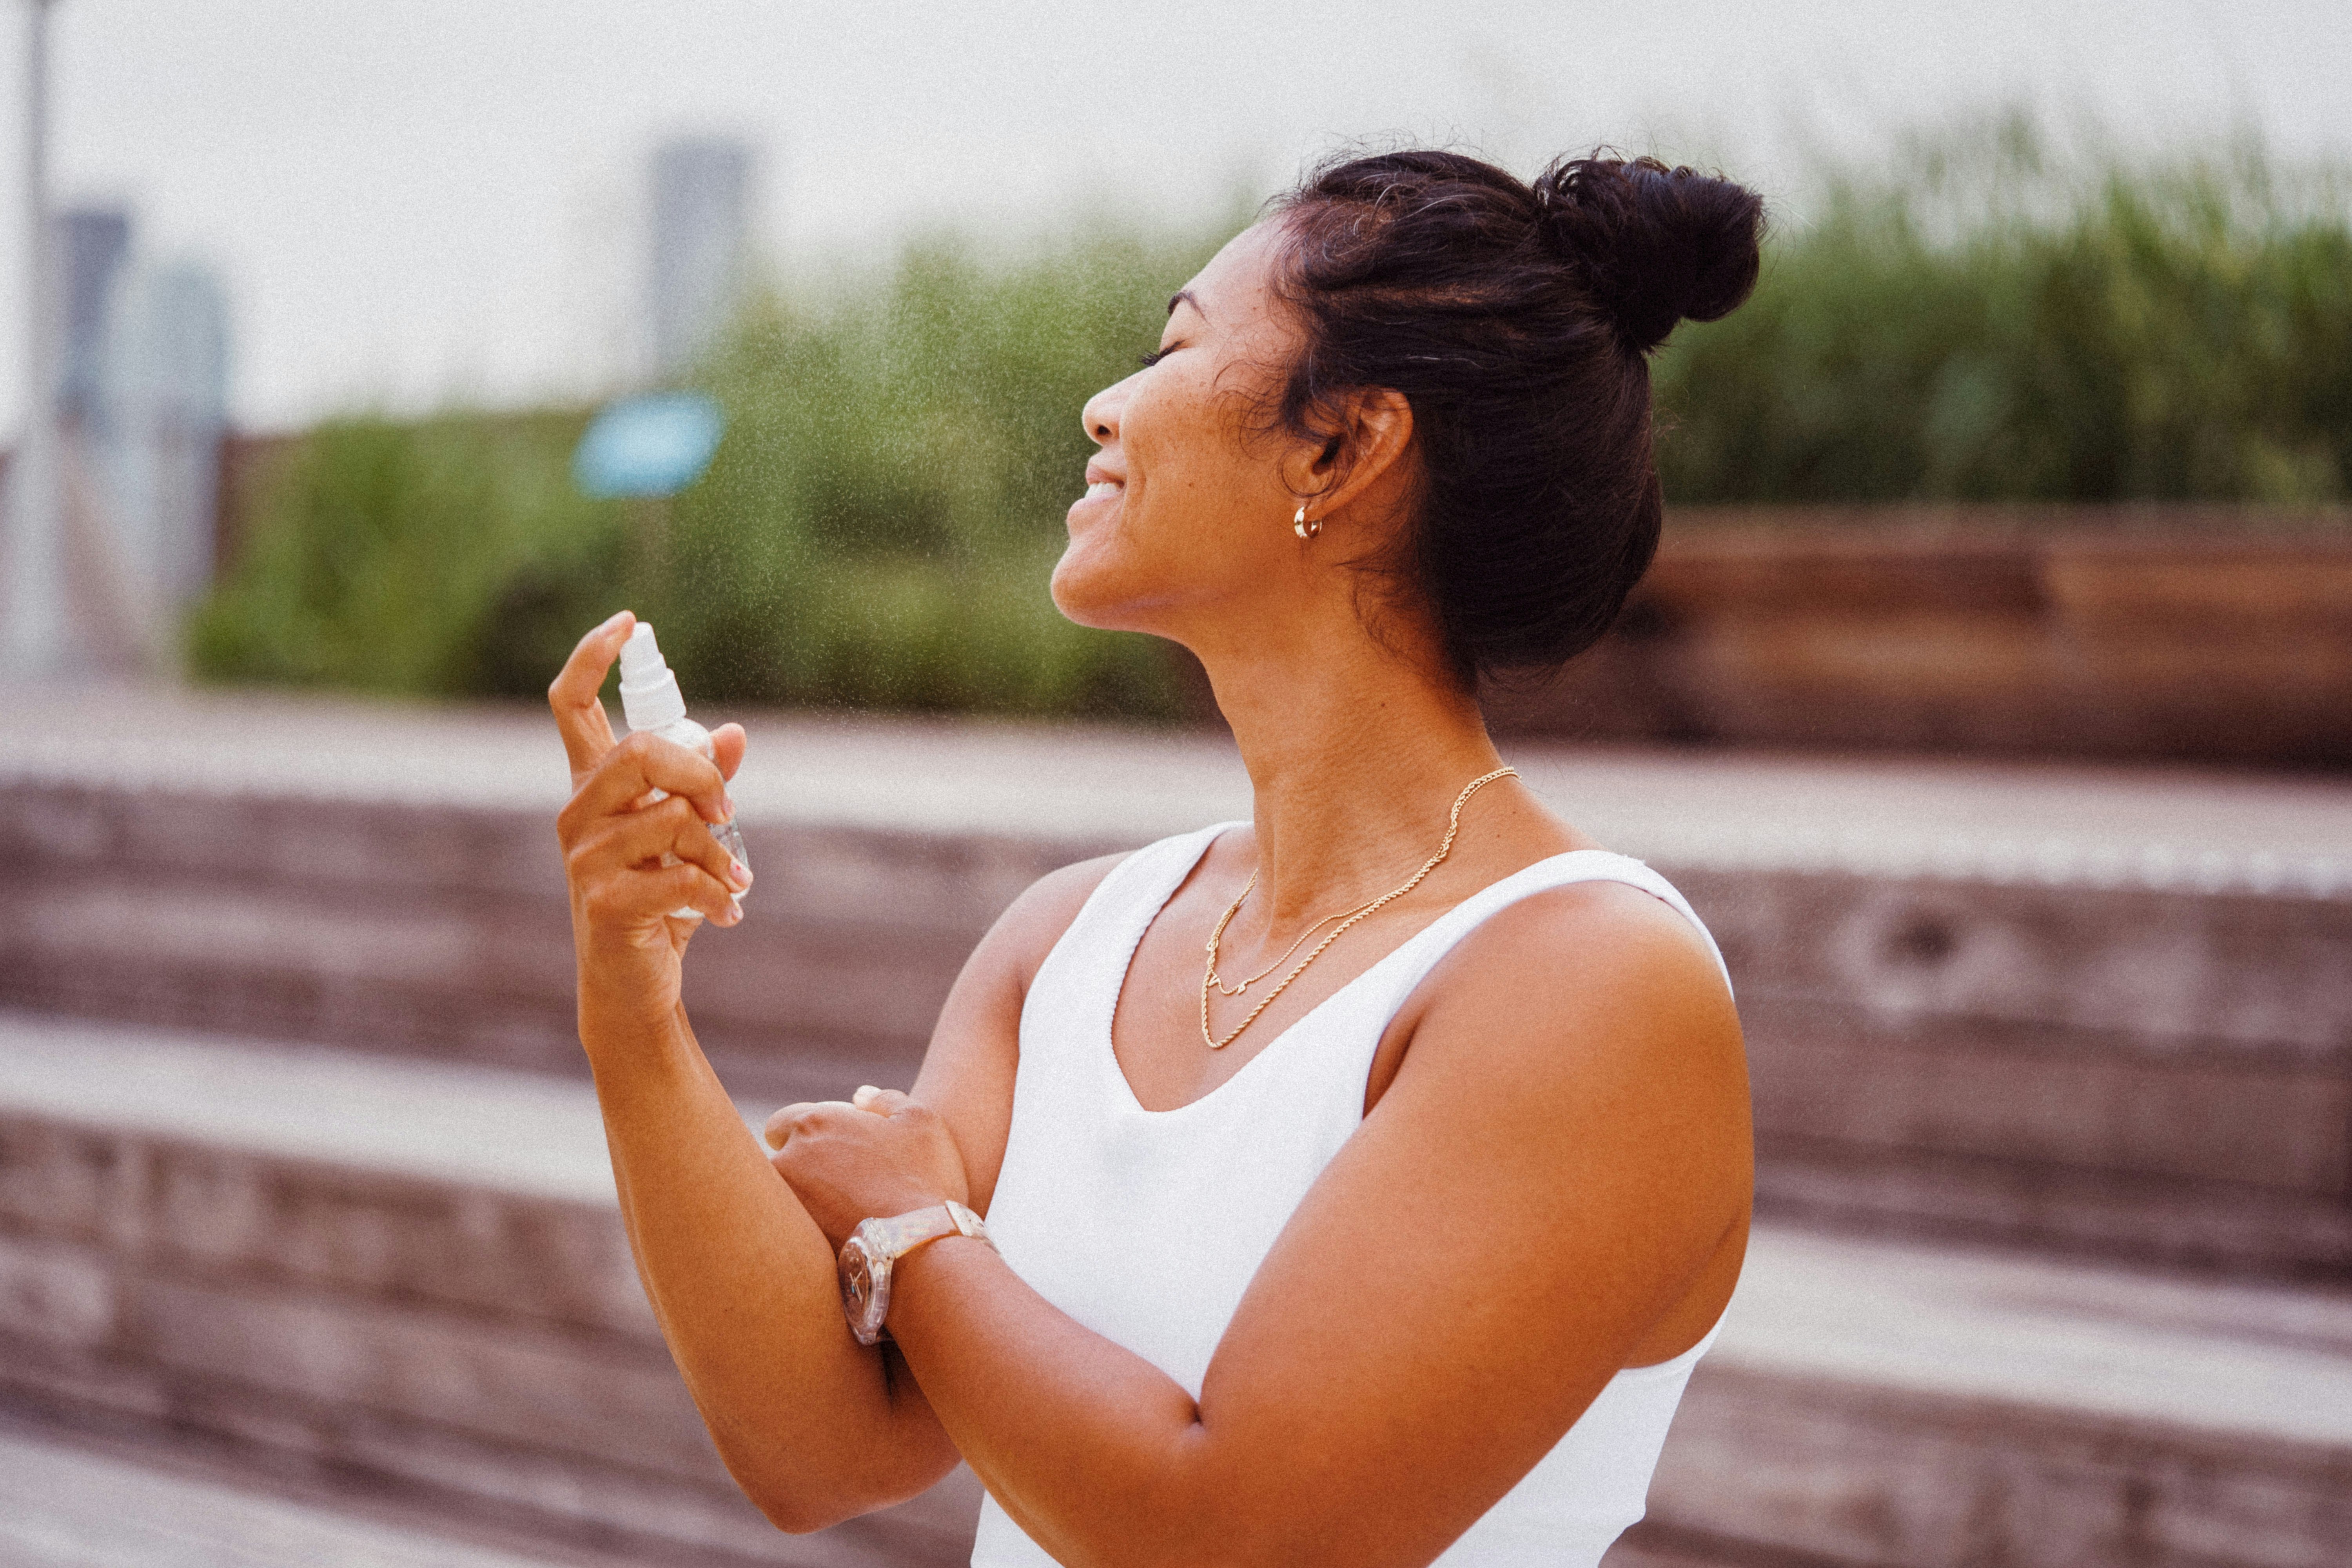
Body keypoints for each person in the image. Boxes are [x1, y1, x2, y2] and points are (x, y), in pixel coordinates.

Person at [548, 147, 1762, 1568]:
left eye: (1175, 347)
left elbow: (1232, 1535)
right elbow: (827, 1447)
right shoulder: (1071, 938)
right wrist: (632, 1000)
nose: (1104, 405)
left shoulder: (1590, 982)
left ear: (1344, 447)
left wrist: (918, 1227)